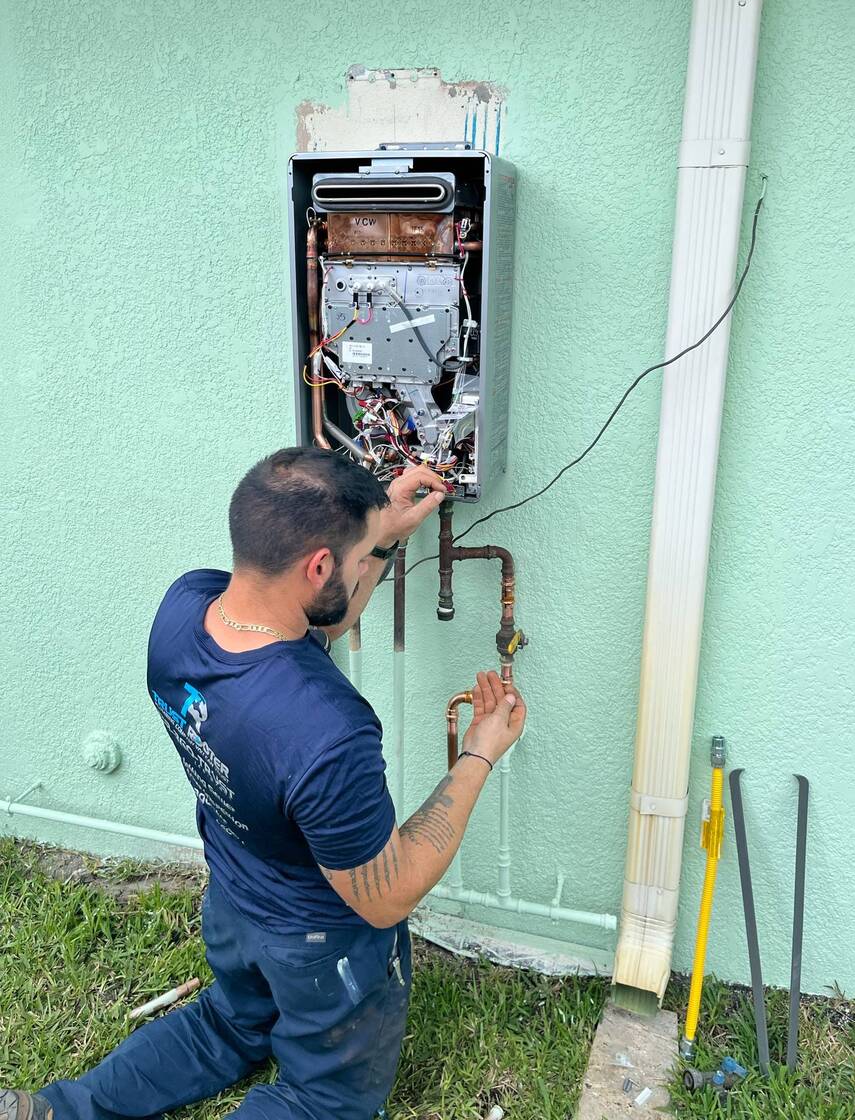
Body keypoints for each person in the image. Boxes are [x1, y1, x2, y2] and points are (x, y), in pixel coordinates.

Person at [4, 447, 526, 1120]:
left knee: (224, 1024)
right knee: (320, 1099)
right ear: (317, 565)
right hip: (316, 950)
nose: (368, 557)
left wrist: (382, 536)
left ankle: (55, 1112)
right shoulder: (326, 729)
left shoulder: (185, 608)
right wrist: (478, 753)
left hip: (234, 902)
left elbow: (314, 620)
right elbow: (385, 897)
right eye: (359, 552)